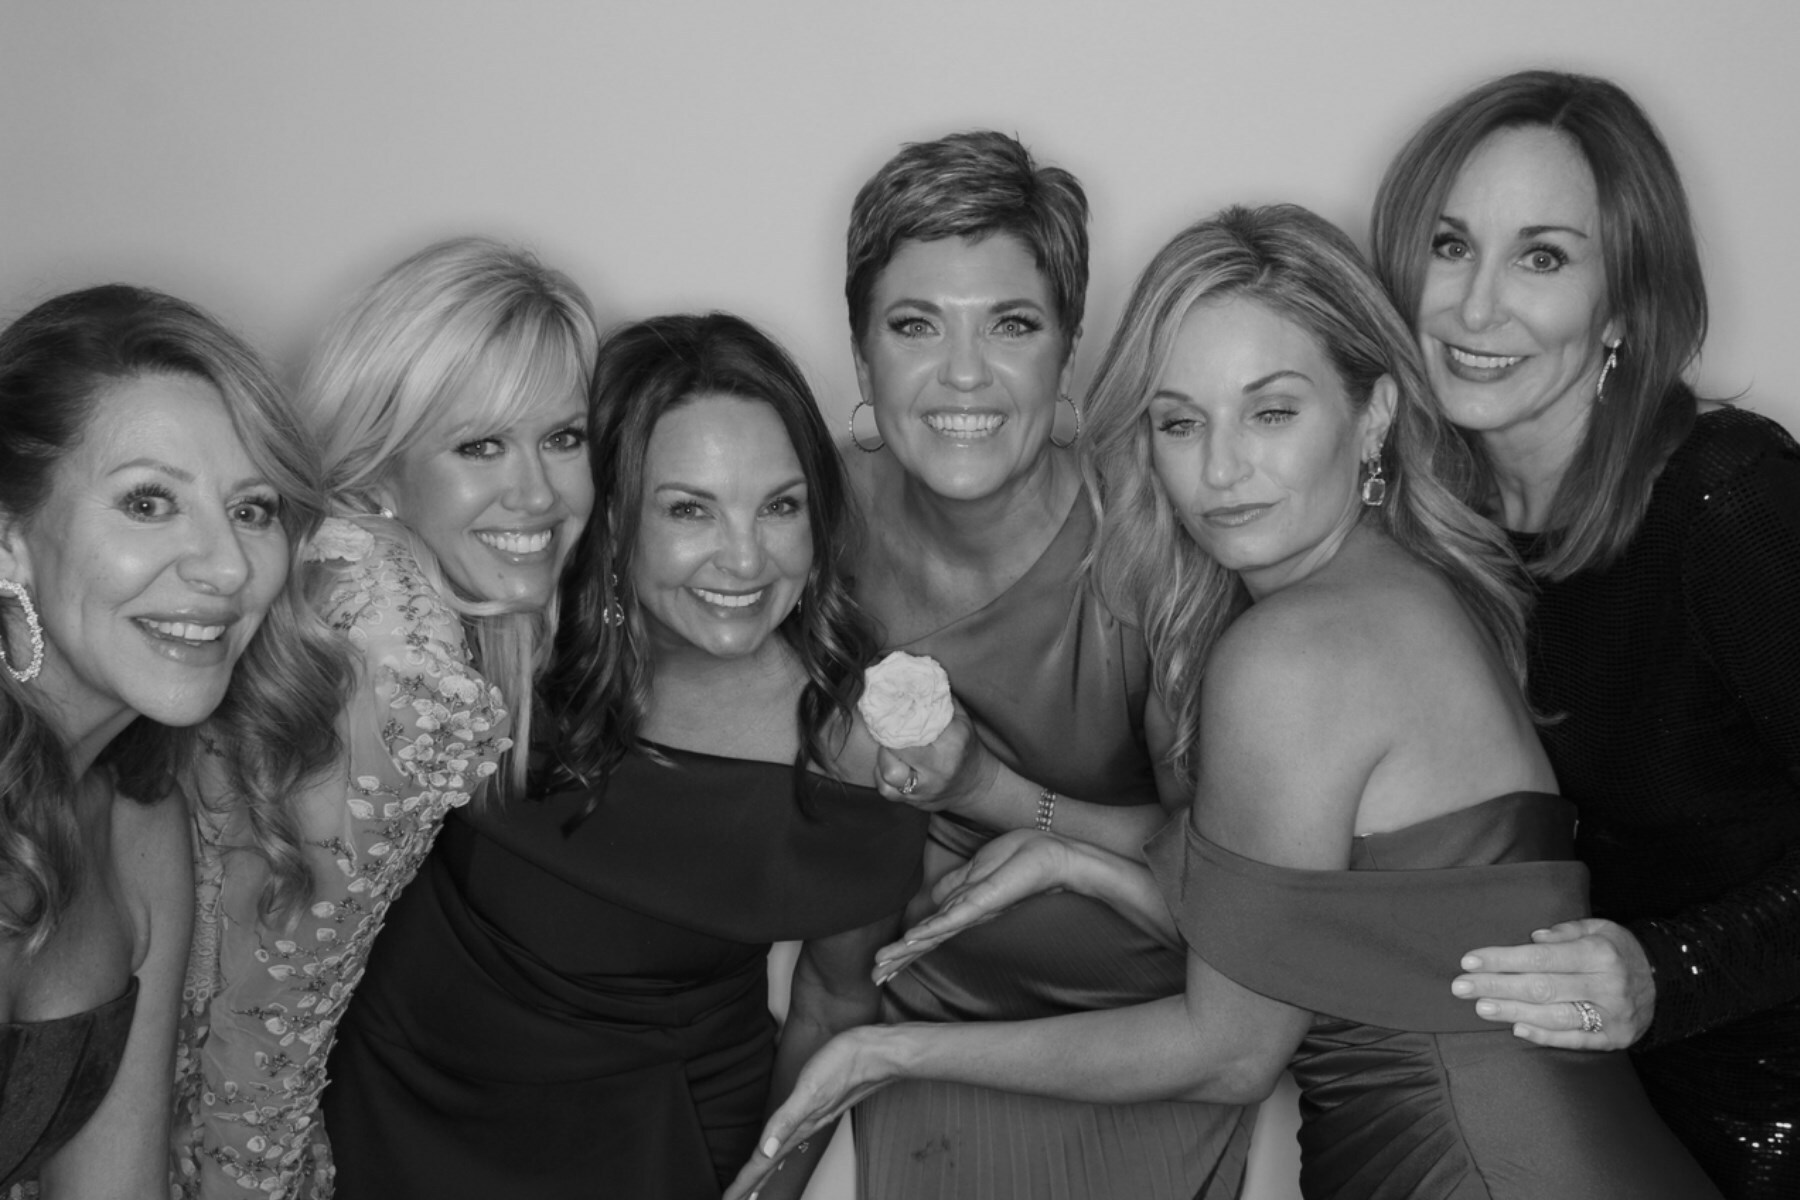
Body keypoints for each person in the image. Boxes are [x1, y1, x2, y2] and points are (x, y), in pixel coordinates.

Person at [731, 205, 1724, 1200]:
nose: (1220, 468)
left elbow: (1231, 1051)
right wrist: (1079, 856)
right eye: (1180, 422)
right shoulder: (1396, 592)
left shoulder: (1295, 654)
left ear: (1373, 414)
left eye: (1272, 412)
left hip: (1485, 1164)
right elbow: (1321, 936)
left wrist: (888, 1055)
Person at [322, 312, 934, 1200]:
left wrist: (769, 1190)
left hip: (650, 1146)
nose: (745, 559)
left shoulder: (858, 741)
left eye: (780, 506)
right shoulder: (495, 631)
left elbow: (834, 1001)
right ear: (611, 520)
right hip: (385, 1108)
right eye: (688, 509)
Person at [1368, 69, 1800, 1199]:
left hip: (1772, 1110)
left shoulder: (1727, 503)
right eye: (1451, 246)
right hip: (1580, 1105)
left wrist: (1671, 968)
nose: (1476, 309)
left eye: (1543, 258)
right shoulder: (1425, 527)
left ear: (1622, 307)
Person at [843, 129, 1252, 1200]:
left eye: (1012, 325)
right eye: (915, 324)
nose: (963, 374)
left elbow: (1221, 877)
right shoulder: (807, 524)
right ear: (861, 354)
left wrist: (987, 790)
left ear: (1067, 354)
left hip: (1146, 1039)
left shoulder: (1147, 541)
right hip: (928, 1023)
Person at [172, 237, 599, 1199]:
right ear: (382, 458)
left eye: (564, 438)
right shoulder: (403, 674)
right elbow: (258, 1035)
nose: (538, 493)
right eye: (479, 445)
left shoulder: (349, 567)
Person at [0, 285, 335, 1196]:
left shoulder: (137, 825)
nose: (226, 567)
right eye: (149, 503)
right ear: (9, 539)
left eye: (253, 509)